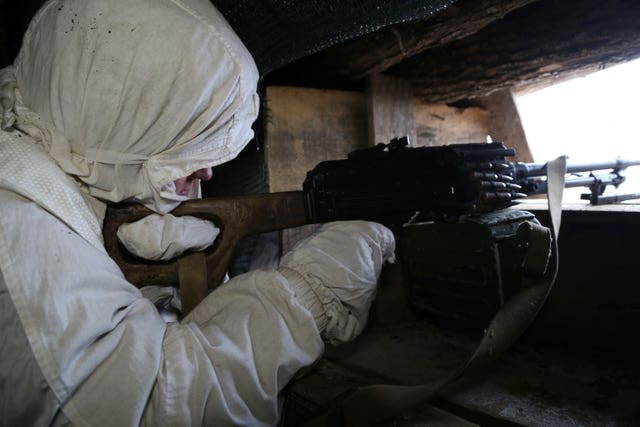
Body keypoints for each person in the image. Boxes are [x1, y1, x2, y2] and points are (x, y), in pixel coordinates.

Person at [0, 0, 395, 425]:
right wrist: (308, 294)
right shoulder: (17, 231)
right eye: (188, 138)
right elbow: (160, 410)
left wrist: (157, 290)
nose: (208, 169)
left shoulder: (48, 164)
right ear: (117, 114)